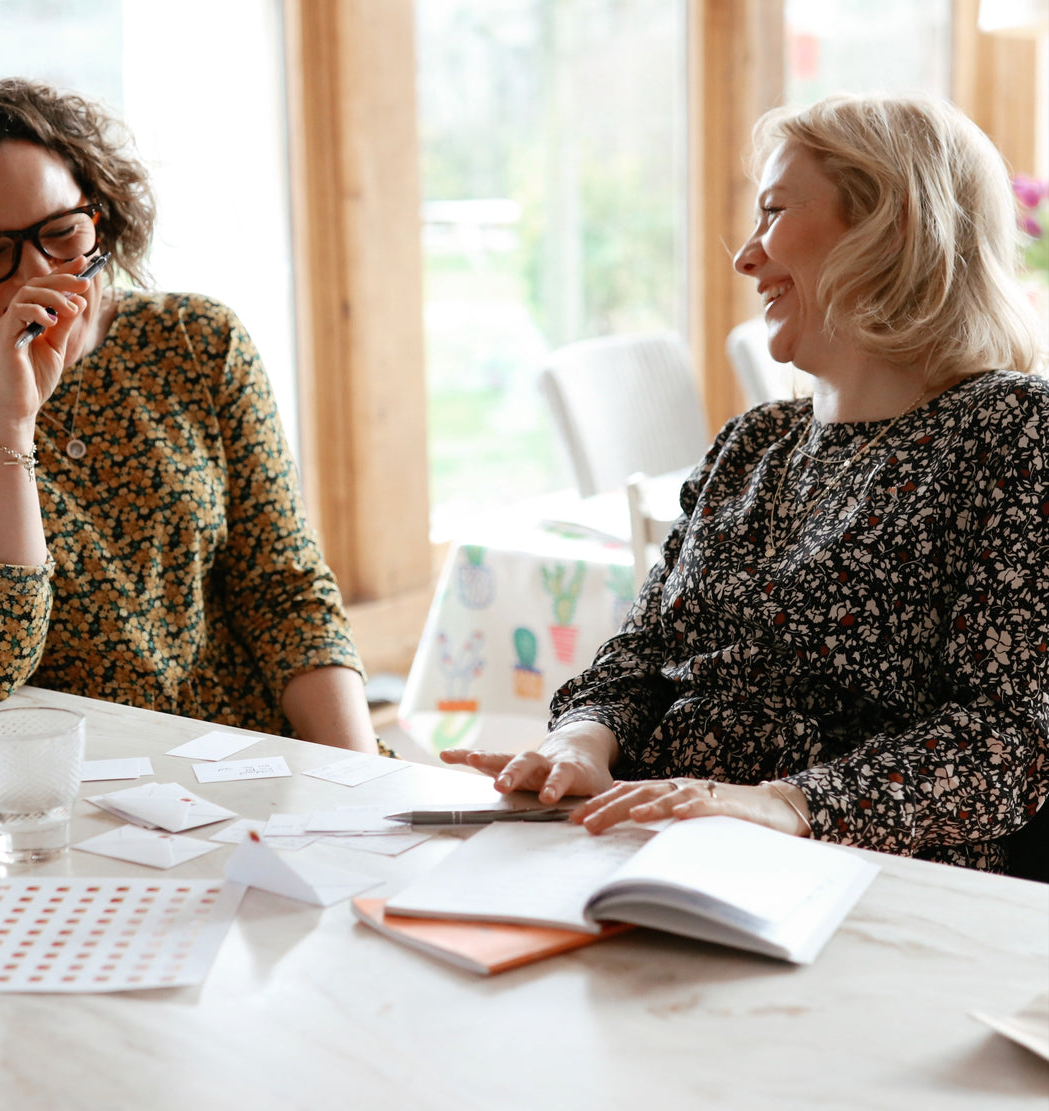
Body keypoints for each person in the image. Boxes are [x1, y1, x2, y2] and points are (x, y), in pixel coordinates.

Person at [445, 93, 1048, 873]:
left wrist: (784, 802)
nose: (746, 256)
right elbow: (641, 650)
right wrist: (582, 739)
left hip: (852, 875)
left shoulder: (1010, 427)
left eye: (773, 212)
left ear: (889, 229)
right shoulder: (752, 441)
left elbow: (1011, 737)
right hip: (651, 843)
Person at [0, 77, 376, 752]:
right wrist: (10, 416)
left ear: (99, 214)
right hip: (62, 792)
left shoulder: (201, 342)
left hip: (256, 758)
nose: (38, 276)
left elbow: (287, 594)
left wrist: (361, 779)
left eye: (62, 234)